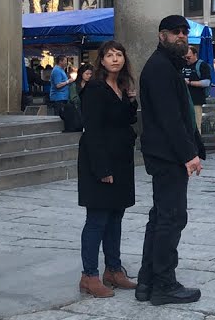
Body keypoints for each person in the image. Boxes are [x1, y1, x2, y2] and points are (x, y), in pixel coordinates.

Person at [136, 15, 204, 306]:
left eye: (185, 32)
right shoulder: (160, 68)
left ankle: (147, 281)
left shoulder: (167, 65)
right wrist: (188, 154)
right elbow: (170, 118)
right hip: (167, 155)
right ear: (162, 35)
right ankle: (164, 283)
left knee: (161, 216)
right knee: (172, 217)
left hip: (165, 153)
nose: (182, 36)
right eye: (175, 32)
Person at [77, 40, 140, 298]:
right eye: (110, 55)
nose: (115, 59)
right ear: (101, 60)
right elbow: (92, 130)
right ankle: (89, 275)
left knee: (116, 217)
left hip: (121, 160)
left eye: (119, 54)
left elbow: (127, 119)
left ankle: (113, 269)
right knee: (97, 219)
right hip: (99, 160)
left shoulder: (122, 86)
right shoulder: (94, 88)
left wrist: (131, 100)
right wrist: (102, 168)